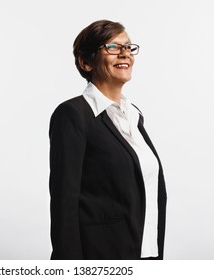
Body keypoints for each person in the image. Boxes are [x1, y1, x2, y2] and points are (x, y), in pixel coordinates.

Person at [49, 20, 167, 260]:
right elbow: (64, 203)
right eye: (113, 47)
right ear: (86, 61)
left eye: (128, 47)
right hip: (99, 257)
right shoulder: (73, 114)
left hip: (145, 254)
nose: (125, 53)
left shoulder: (134, 115)